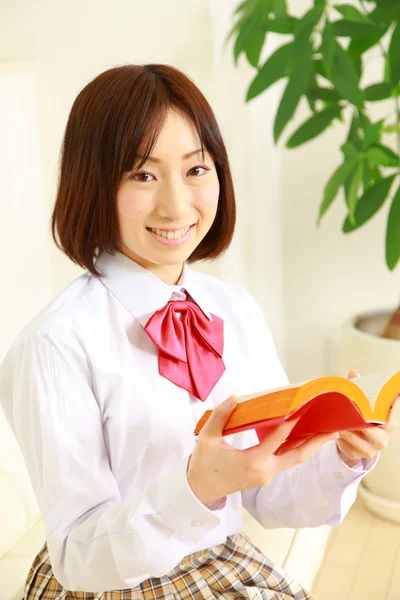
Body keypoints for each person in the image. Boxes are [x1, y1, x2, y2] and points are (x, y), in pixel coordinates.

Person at [0, 64, 395, 600]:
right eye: (142, 174)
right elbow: (79, 556)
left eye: (195, 170)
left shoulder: (234, 309)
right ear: (93, 182)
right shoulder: (55, 344)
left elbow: (270, 495)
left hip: (220, 560)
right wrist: (196, 486)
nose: (177, 205)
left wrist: (342, 456)